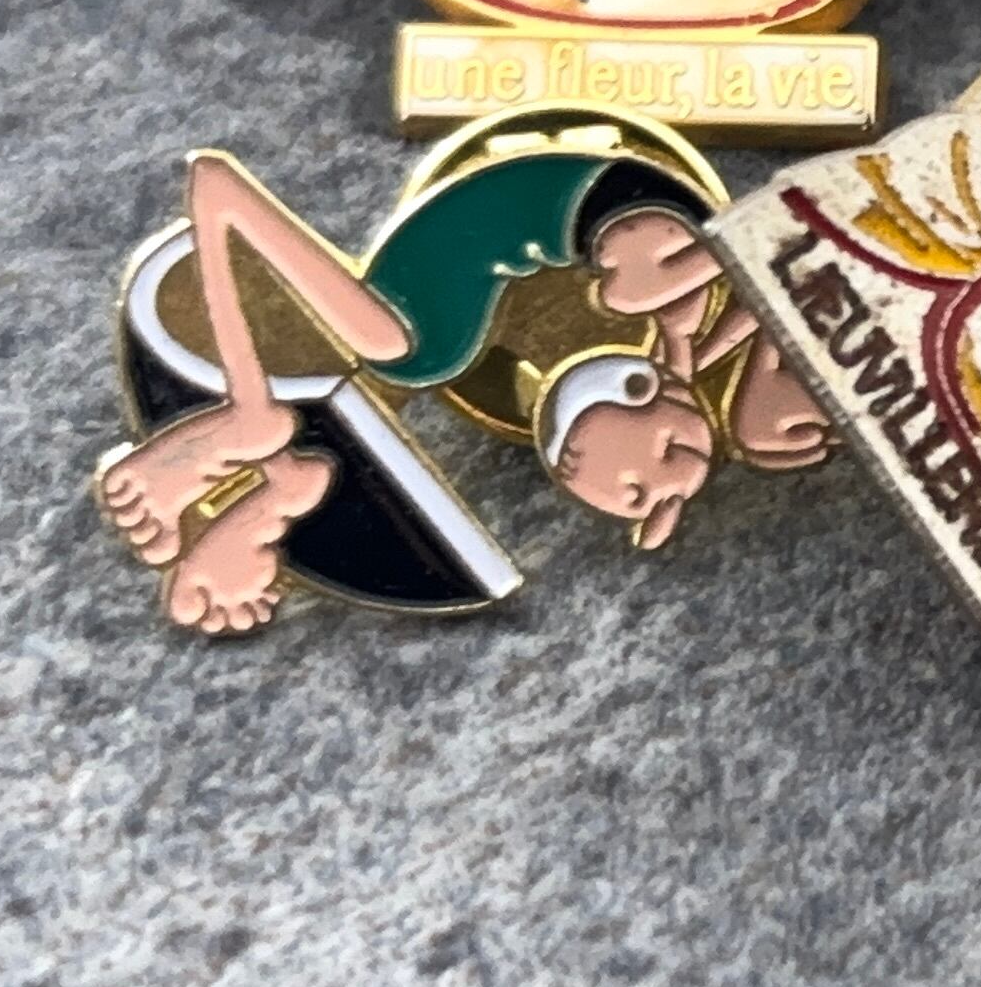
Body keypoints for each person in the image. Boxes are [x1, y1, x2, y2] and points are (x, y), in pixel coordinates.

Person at [96, 129, 827, 634]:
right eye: (675, 456)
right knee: (401, 353)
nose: (693, 452)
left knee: (404, 360)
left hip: (570, 233)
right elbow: (736, 264)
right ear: (636, 392)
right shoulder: (660, 288)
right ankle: (252, 422)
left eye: (638, 491)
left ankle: (274, 472)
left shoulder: (671, 335)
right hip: (564, 219)